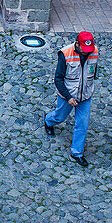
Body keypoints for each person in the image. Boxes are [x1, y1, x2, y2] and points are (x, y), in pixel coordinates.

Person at [44, 31, 99, 167]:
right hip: (67, 94)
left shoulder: (94, 51)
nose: (87, 53)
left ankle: (77, 153)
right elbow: (58, 79)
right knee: (59, 117)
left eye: (88, 50)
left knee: (82, 124)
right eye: (84, 50)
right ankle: (48, 120)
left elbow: (93, 71)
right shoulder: (65, 54)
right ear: (77, 44)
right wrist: (69, 97)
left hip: (85, 95)